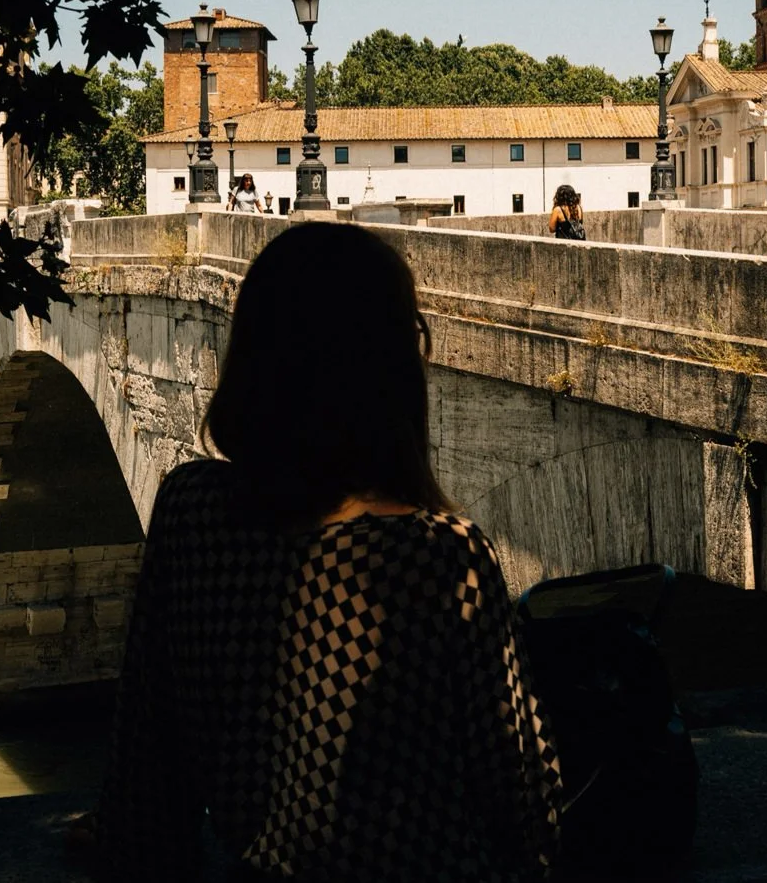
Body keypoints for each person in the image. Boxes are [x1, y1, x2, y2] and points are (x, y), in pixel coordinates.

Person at [97, 223, 560, 880]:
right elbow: (525, 803)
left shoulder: (189, 511)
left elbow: (144, 776)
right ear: (393, 369)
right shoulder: (438, 557)